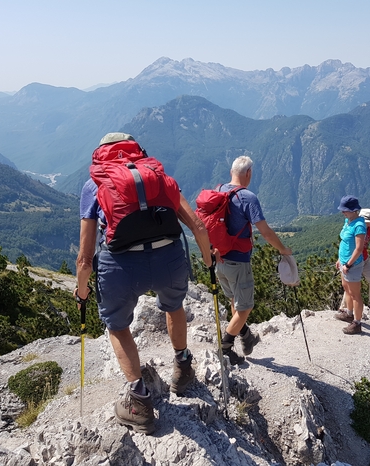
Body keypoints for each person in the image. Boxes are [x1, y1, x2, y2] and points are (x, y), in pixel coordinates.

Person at [74, 132, 213, 435]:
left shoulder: (95, 184)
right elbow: (199, 226)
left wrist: (82, 291)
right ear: (136, 152)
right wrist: (207, 260)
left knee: (118, 326)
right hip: (170, 260)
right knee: (173, 305)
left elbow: (85, 258)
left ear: (102, 156)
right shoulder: (160, 179)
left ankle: (139, 403)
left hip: (121, 267)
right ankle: (183, 366)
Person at [215, 155, 293, 364]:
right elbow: (265, 232)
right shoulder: (247, 197)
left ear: (232, 171)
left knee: (235, 300)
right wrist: (283, 249)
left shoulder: (219, 191)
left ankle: (246, 335)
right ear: (248, 173)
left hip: (219, 260)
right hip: (238, 261)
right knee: (244, 307)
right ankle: (226, 348)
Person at [336, 208, 370, 314]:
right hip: (352, 261)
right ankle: (344, 308)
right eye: (368, 221)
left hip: (364, 259)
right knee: (349, 286)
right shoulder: (356, 227)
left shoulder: (369, 228)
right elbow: (345, 245)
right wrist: (341, 260)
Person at [334, 195, 366, 335]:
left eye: (345, 210)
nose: (343, 212)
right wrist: (340, 260)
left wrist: (348, 264)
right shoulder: (348, 221)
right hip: (344, 262)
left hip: (352, 265)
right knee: (346, 289)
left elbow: (359, 248)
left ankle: (357, 323)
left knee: (355, 295)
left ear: (354, 210)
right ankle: (349, 313)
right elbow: (345, 242)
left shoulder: (359, 225)